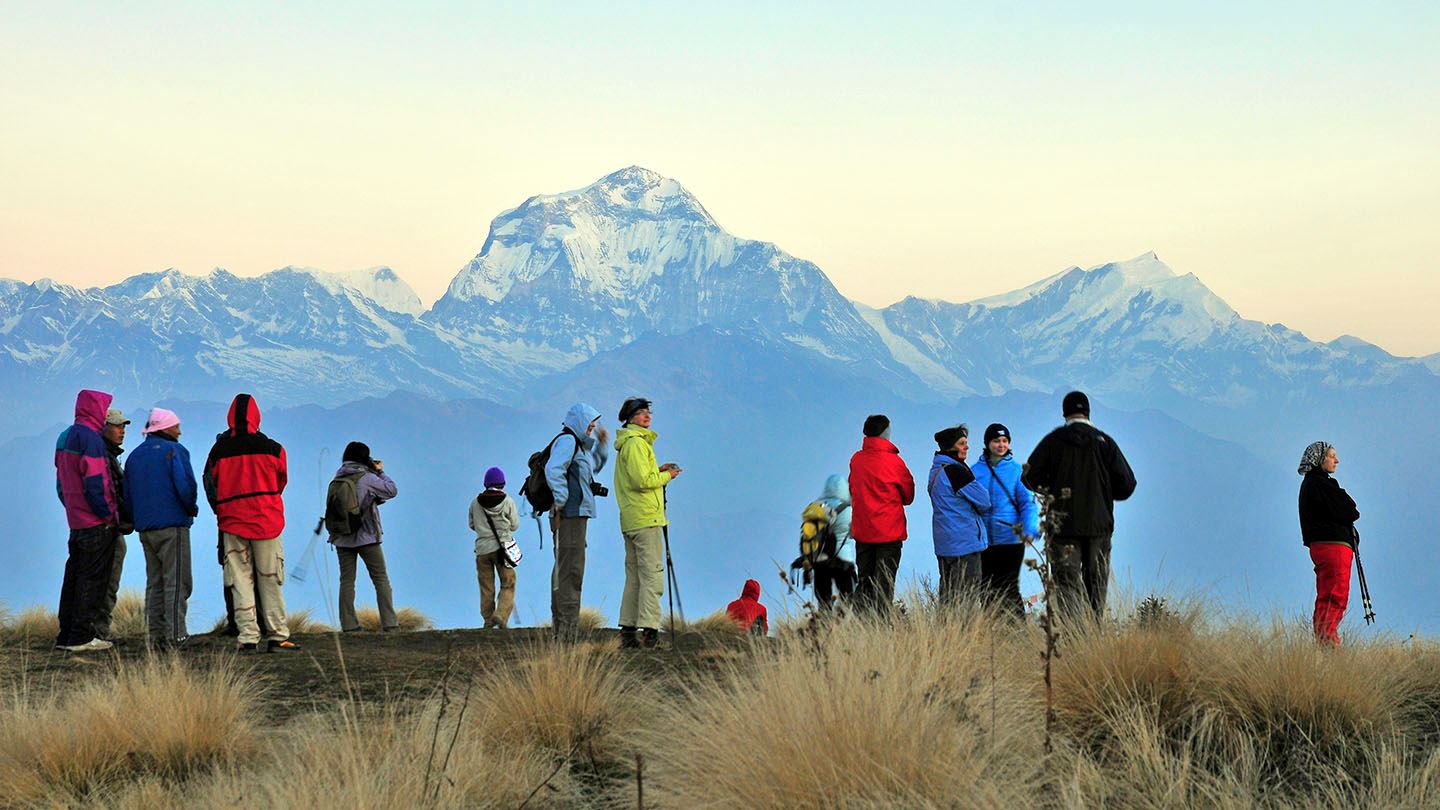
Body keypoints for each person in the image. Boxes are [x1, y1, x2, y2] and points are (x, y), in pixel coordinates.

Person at [1023, 391, 1137, 623]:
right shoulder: (1104, 442)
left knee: (1067, 583)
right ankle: (1093, 633)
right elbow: (1127, 485)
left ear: (1064, 414)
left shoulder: (1053, 442)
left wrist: (1051, 490)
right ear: (1087, 412)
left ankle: (1074, 637)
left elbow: (1028, 476)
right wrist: (1103, 495)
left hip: (1063, 526)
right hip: (1098, 525)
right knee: (1096, 583)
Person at [203, 393, 299, 653]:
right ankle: (278, 635)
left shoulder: (219, 451)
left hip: (232, 522)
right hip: (266, 521)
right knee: (270, 578)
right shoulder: (273, 448)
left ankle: (247, 637)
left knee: (240, 580)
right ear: (256, 416)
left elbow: (214, 481)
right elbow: (281, 481)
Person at [53, 390, 122, 651]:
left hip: (75, 520)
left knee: (73, 578)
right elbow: (97, 483)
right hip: (95, 522)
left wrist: (72, 508)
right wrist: (109, 515)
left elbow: (62, 481)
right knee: (92, 580)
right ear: (95, 410)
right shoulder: (91, 440)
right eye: (103, 409)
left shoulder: (68, 436)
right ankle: (81, 637)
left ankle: (66, 634)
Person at [124, 408, 199, 649]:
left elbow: (127, 495)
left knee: (154, 582)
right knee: (177, 581)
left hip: (145, 529)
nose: (180, 430)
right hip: (172, 525)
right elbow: (185, 485)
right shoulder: (174, 451)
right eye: (176, 426)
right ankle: (176, 635)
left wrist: (134, 518)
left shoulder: (134, 457)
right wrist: (190, 509)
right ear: (165, 428)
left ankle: (154, 636)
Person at [614, 397, 681, 649]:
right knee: (652, 576)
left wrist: (659, 470)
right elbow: (642, 481)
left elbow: (640, 475)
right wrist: (667, 476)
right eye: (641, 413)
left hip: (631, 519)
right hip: (646, 518)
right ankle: (650, 630)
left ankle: (628, 629)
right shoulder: (636, 444)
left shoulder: (629, 444)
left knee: (633, 576)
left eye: (647, 412)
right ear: (630, 418)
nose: (647, 416)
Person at [544, 403, 610, 640]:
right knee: (571, 571)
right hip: (569, 516)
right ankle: (567, 632)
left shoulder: (578, 446)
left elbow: (591, 469)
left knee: (565, 569)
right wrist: (561, 498)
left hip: (574, 516)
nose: (592, 427)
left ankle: (562, 629)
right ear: (580, 421)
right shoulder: (567, 442)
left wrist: (601, 446)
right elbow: (553, 470)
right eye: (590, 423)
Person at [328, 441, 399, 633]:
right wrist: (379, 471)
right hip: (366, 536)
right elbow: (391, 490)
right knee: (380, 579)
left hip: (342, 536)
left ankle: (349, 625)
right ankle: (390, 623)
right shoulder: (367, 477)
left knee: (346, 581)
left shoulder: (338, 476)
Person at [848, 414, 915, 613]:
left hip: (863, 531)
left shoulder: (856, 460)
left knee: (864, 581)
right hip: (889, 532)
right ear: (886, 432)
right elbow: (908, 495)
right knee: (884, 584)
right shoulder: (894, 462)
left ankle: (861, 626)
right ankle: (882, 628)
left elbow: (853, 489)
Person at [972, 423, 1039, 620]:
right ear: (987, 443)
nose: (1001, 445)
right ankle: (990, 630)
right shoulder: (975, 471)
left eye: (1004, 441)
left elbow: (1028, 504)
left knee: (1008, 588)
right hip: (983, 541)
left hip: (1011, 540)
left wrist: (1029, 529)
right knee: (985, 588)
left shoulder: (1017, 471)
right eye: (996, 441)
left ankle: (1017, 632)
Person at [1298, 442, 1360, 645]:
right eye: (1332, 456)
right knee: (1336, 593)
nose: (1337, 460)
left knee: (1326, 593)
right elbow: (1351, 510)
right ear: (1320, 459)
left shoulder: (1312, 484)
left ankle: (1324, 638)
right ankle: (1328, 640)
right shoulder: (1320, 484)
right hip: (1334, 546)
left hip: (1322, 547)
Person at [928, 425, 990, 605]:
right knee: (967, 599)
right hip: (964, 544)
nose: (967, 447)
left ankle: (947, 633)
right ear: (950, 447)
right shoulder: (956, 471)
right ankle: (965, 633)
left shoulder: (936, 469)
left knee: (948, 599)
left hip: (945, 544)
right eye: (962, 443)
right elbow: (984, 500)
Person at [93, 407, 134, 642]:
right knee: (108, 578)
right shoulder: (104, 458)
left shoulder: (104, 455)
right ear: (104, 426)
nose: (122, 430)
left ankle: (94, 625)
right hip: (108, 527)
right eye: (118, 425)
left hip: (103, 526)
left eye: (124, 426)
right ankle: (101, 627)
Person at [470, 466, 521, 629]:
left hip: (482, 549)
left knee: (486, 587)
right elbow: (514, 525)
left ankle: (487, 620)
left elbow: (472, 524)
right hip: (502, 549)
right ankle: (500, 616)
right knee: (508, 582)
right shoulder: (508, 501)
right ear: (502, 484)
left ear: (485, 483)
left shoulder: (475, 502)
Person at [811, 475, 857, 609]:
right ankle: (843, 624)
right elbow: (854, 533)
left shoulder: (817, 509)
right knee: (848, 599)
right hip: (844, 561)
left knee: (824, 601)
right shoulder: (849, 510)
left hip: (821, 560)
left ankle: (824, 625)